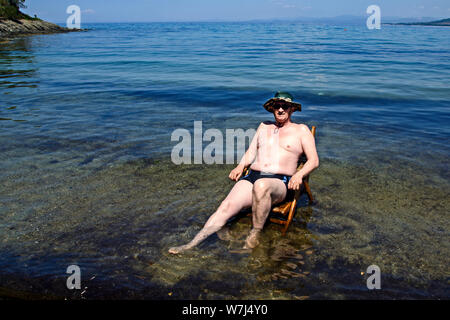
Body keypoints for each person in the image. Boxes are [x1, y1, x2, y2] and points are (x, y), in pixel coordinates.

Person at [168, 91, 319, 254]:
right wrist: (240, 166)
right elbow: (251, 152)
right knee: (226, 207)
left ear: (292, 110)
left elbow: (313, 160)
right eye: (277, 106)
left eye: (285, 106)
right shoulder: (264, 126)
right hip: (253, 176)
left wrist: (298, 175)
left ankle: (255, 233)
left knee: (261, 186)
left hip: (279, 181)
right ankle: (192, 244)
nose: (281, 109)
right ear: (272, 108)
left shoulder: (301, 130)